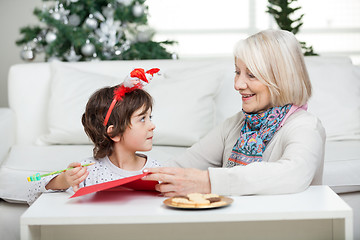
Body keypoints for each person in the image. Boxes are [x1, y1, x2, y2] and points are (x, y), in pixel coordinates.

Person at [142, 29, 326, 197]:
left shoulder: (306, 126)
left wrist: (207, 182)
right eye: (237, 72)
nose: (238, 85)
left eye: (251, 75)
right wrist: (129, 176)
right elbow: (181, 166)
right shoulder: (235, 124)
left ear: (281, 79)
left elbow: (294, 174)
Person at [27, 68, 161, 204]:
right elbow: (32, 193)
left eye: (150, 117)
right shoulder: (88, 171)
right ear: (114, 133)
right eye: (142, 119)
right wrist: (63, 180)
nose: (152, 125)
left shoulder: (156, 171)